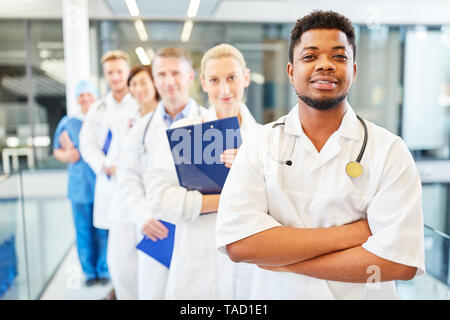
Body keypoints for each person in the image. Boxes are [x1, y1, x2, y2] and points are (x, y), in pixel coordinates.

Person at [215, 10, 425, 300]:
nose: (324, 65)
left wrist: (284, 261)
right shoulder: (259, 144)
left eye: (338, 57)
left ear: (354, 70)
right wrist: (352, 234)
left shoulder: (390, 150)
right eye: (310, 57)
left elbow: (399, 262)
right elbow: (240, 244)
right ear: (291, 71)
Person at [146, 44, 259, 299]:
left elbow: (277, 204)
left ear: (246, 78)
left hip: (248, 267)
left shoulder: (264, 138)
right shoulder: (185, 133)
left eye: (232, 78)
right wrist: (224, 200)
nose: (224, 89)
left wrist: (250, 168)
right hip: (195, 262)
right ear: (203, 83)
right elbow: (158, 198)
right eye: (214, 80)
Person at [118, 47, 206, 299]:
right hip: (156, 229)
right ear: (154, 80)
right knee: (154, 292)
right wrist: (142, 215)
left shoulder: (208, 123)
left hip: (196, 225)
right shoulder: (141, 129)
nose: (169, 81)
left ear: (190, 77)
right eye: (162, 74)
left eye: (176, 73)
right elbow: (128, 177)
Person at [79, 50, 138, 299]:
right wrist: (104, 165)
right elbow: (86, 144)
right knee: (116, 246)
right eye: (110, 73)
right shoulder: (98, 109)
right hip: (111, 183)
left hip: (137, 183)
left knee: (140, 240)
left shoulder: (140, 104)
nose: (115, 77)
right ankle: (120, 289)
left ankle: (137, 289)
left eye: (119, 72)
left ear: (127, 72)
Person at [53, 80, 109, 286]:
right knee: (83, 230)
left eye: (89, 95)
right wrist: (68, 155)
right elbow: (57, 150)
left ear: (96, 97)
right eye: (81, 95)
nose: (85, 99)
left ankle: (104, 270)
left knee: (103, 229)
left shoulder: (104, 120)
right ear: (77, 98)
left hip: (102, 185)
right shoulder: (68, 123)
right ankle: (89, 272)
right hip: (79, 187)